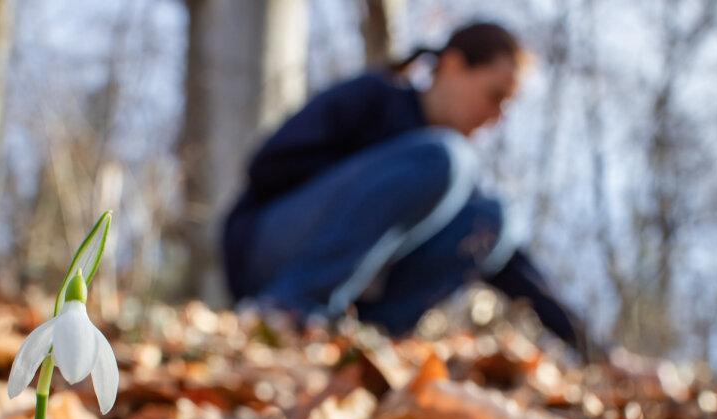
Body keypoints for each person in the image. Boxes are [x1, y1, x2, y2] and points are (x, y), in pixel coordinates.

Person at [221, 21, 605, 361]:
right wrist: (371, 192)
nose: (497, 116)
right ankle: (288, 309)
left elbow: (516, 269)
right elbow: (267, 166)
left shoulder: (452, 178)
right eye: (494, 96)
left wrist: (595, 350)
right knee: (446, 157)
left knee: (494, 220)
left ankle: (368, 341)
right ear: (453, 66)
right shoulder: (377, 98)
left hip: (356, 297)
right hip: (267, 249)